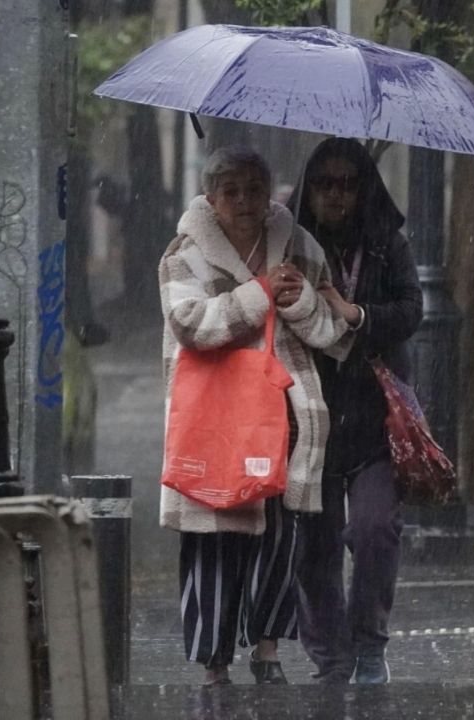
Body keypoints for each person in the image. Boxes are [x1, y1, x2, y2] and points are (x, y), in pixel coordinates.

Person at [158, 146, 348, 685]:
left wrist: (299, 300)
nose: (244, 201)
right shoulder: (184, 253)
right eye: (231, 192)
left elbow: (332, 332)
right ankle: (214, 664)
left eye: (254, 190)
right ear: (211, 198)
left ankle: (268, 650)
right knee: (213, 536)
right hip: (214, 419)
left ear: (268, 196)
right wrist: (260, 294)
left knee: (279, 538)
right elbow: (191, 324)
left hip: (284, 414)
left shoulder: (299, 246)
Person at [288, 138, 425, 685]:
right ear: (309, 189)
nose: (335, 195)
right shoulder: (290, 246)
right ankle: (330, 655)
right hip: (309, 417)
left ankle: (369, 644)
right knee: (313, 545)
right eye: (324, 183)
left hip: (375, 419)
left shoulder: (387, 244)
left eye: (347, 184)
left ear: (363, 188)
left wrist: (356, 314)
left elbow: (411, 309)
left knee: (374, 530)